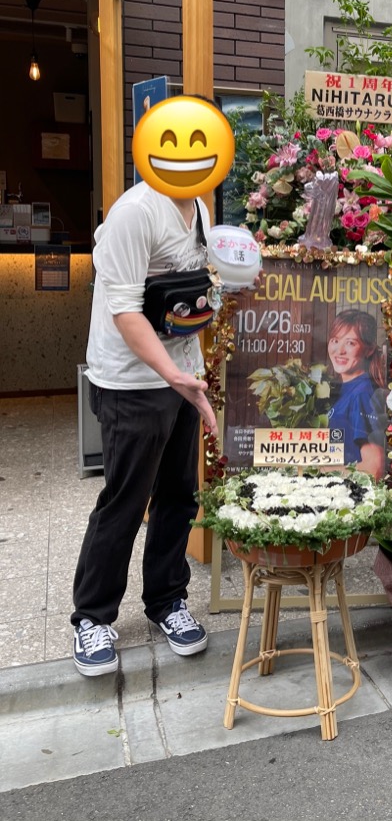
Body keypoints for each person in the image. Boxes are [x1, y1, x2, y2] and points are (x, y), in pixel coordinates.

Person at [71, 181, 218, 676]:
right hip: (130, 381)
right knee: (127, 499)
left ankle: (167, 600)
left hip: (180, 375)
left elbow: (192, 288)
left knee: (179, 493)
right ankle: (92, 616)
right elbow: (125, 311)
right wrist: (173, 375)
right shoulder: (134, 212)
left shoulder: (198, 205)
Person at [326, 309, 387, 479]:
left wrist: (318, 471)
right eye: (335, 340)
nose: (339, 350)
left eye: (350, 343)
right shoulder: (343, 387)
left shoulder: (362, 394)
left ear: (369, 350)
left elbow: (374, 469)